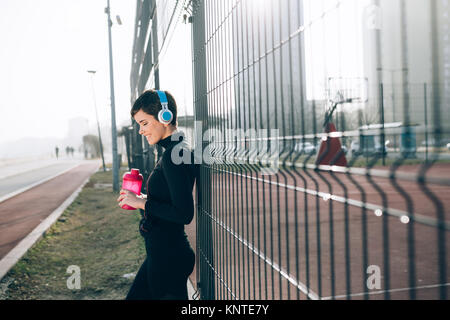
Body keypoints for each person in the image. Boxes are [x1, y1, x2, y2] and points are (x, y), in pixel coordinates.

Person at [117, 90, 197, 300]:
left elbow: (183, 213)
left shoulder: (173, 156)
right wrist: (142, 200)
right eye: (138, 125)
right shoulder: (177, 150)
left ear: (165, 117)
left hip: (168, 258)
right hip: (164, 254)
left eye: (144, 123)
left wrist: (142, 203)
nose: (141, 131)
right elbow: (172, 200)